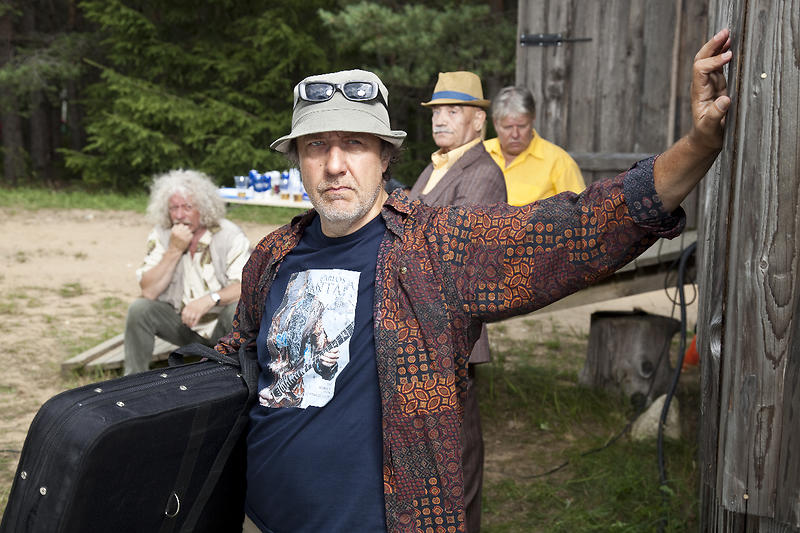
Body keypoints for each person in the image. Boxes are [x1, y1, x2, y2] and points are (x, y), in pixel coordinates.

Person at [218, 28, 732, 533]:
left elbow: (579, 228)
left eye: (354, 143)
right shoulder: (272, 255)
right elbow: (240, 360)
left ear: (384, 156)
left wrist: (698, 145)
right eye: (316, 146)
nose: (334, 165)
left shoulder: (434, 248)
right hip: (259, 517)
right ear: (298, 160)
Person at [408, 70, 506, 532]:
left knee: (457, 457)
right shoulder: (436, 167)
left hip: (452, 332)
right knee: (426, 457)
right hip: (417, 329)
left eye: (453, 110)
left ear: (478, 121)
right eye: (436, 111)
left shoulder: (483, 172)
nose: (440, 120)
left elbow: (455, 252)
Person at [124, 169, 250, 375]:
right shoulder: (162, 234)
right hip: (182, 324)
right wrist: (174, 250)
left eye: (187, 207)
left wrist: (211, 299)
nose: (179, 215)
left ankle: (241, 376)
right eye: (174, 208)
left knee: (237, 308)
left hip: (222, 327)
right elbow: (148, 291)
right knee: (140, 309)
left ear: (204, 208)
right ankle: (132, 382)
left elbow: (246, 286)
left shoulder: (229, 235)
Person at [484, 86, 586, 206]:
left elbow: (580, 209)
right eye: (508, 127)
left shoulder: (559, 161)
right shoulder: (481, 153)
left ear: (533, 119)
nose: (515, 134)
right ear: (495, 123)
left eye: (522, 126)